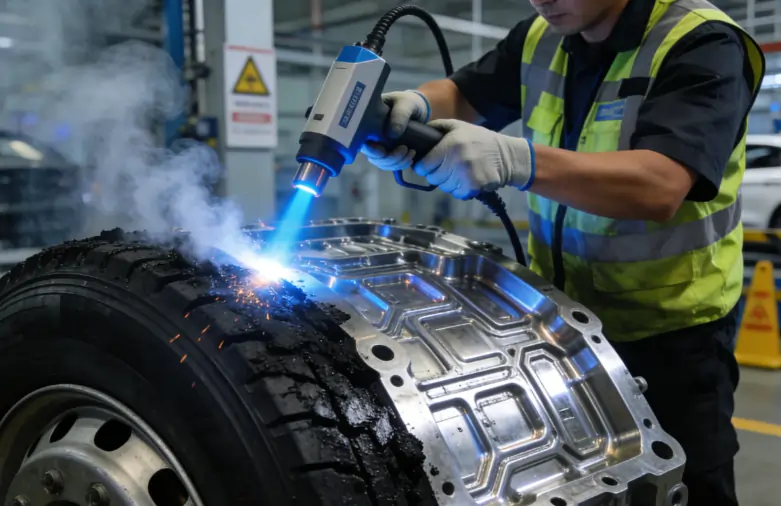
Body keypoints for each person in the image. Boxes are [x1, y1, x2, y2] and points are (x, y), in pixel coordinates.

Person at [362, 0, 765, 504]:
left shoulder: (700, 40)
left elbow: (660, 186)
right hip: (562, 326)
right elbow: (464, 94)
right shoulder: (539, 37)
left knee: (685, 486)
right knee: (582, 482)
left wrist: (516, 160)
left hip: (672, 338)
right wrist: (415, 108)